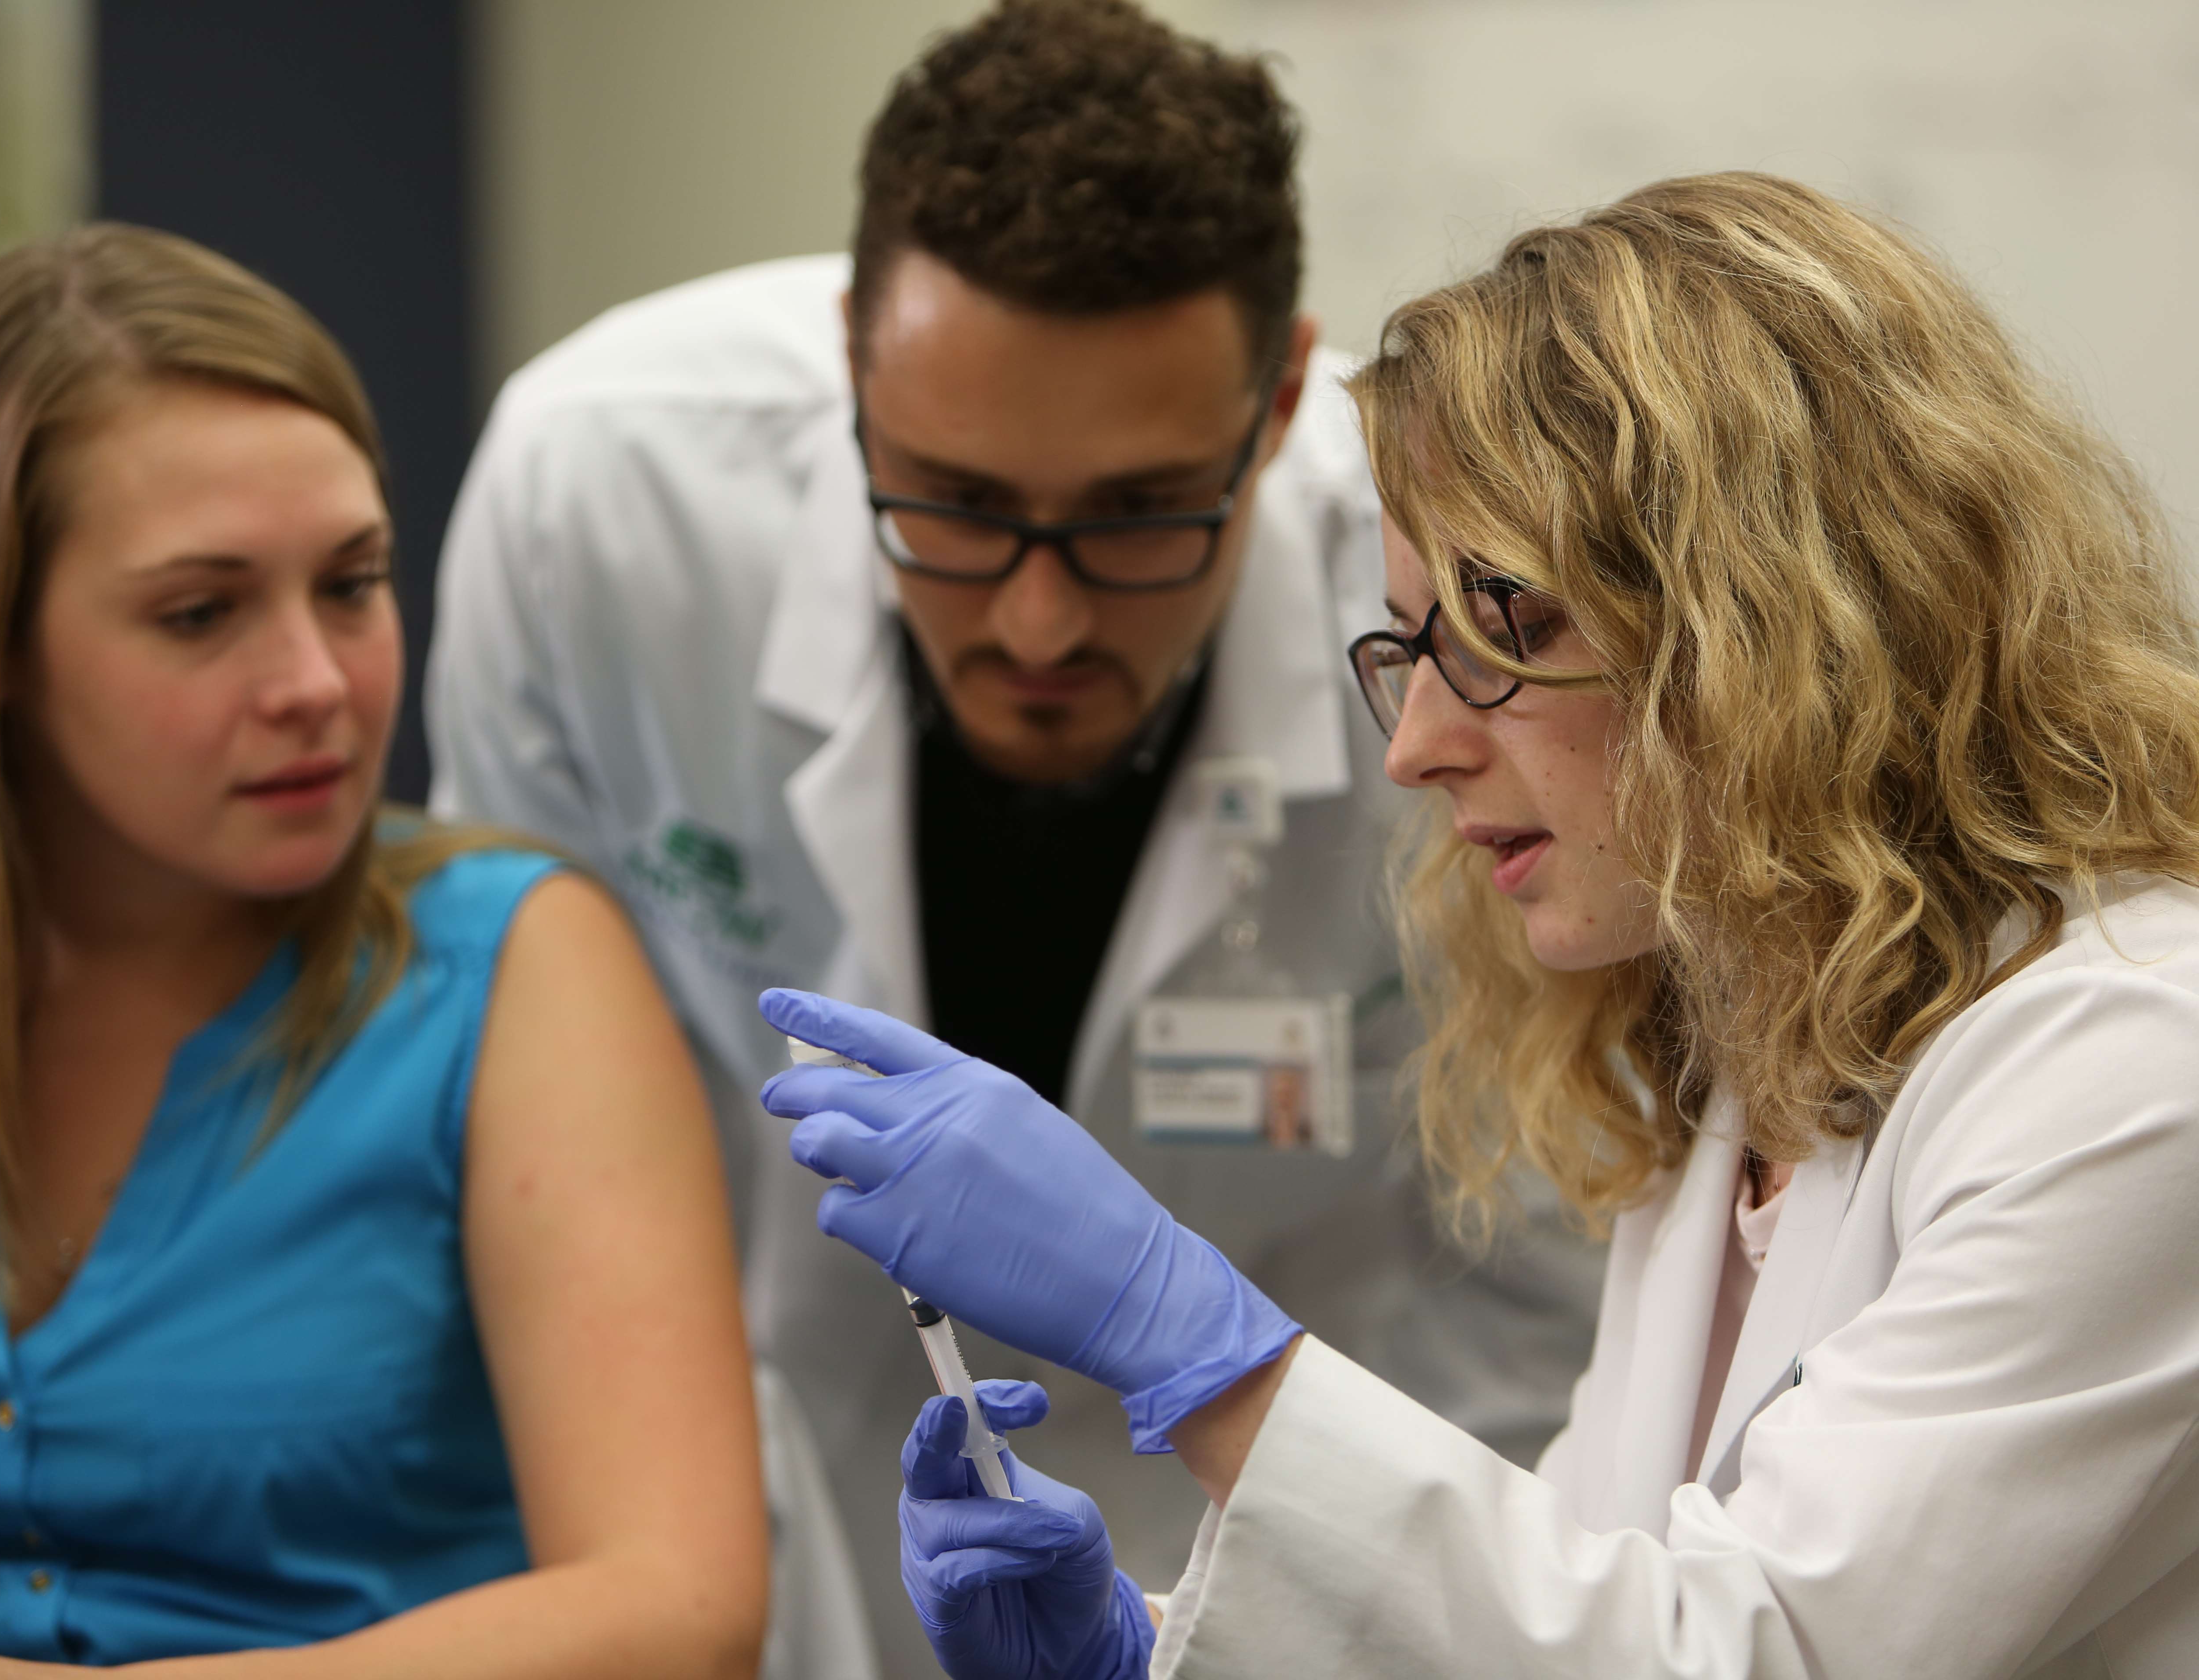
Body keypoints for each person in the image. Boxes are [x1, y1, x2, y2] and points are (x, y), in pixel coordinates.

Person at [761, 170, 2199, 1678]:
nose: (1416, 747)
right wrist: (1147, 1658)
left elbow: (1754, 1655)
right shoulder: (1746, 1088)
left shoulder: (2128, 1070)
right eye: (1410, 646)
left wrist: (1188, 1343)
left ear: (1783, 618)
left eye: (1508, 625)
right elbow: (1581, 1621)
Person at [425, 5, 1603, 1668]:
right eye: (958, 506)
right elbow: (530, 1144)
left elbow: (1543, 1275)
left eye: (1138, 517)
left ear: (1282, 403)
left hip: (1294, 1547)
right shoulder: (603, 506)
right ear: (854, 362)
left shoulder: (1445, 613)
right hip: (757, 1499)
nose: (1038, 625)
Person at [0, 224, 766, 1679]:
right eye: (202, 614)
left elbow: (683, 1615)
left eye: (353, 583)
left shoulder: (514, 972)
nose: (315, 682)